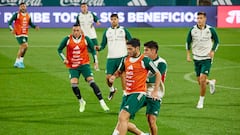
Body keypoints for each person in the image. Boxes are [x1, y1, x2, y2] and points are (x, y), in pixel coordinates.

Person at [110, 38, 163, 135]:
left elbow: (158, 73)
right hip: (127, 94)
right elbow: (119, 71)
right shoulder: (125, 59)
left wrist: (155, 91)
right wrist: (114, 76)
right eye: (127, 49)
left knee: (123, 117)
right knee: (122, 120)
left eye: (130, 49)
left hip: (138, 93)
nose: (128, 51)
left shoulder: (145, 60)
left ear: (137, 48)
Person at [57, 24, 109, 112]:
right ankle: (81, 101)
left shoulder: (86, 39)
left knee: (91, 81)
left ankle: (102, 102)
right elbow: (59, 49)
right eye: (74, 30)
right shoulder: (67, 39)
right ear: (72, 30)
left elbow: (93, 50)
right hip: (73, 66)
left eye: (77, 30)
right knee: (74, 84)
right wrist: (64, 58)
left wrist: (95, 61)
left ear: (81, 31)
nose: (76, 32)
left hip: (84, 64)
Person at [127, 41, 167, 135]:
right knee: (124, 117)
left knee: (151, 119)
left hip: (154, 93)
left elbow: (154, 78)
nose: (144, 52)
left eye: (146, 50)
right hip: (140, 91)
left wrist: (137, 78)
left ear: (153, 51)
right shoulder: (143, 60)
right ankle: (142, 134)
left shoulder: (161, 63)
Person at [186, 12, 219, 109]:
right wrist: (188, 55)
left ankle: (201, 101)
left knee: (202, 79)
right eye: (198, 18)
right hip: (196, 58)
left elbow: (217, 41)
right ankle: (211, 82)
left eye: (201, 18)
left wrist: (213, 51)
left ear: (205, 19)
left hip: (207, 58)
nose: (199, 20)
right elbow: (188, 42)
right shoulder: (192, 30)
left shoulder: (211, 30)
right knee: (200, 81)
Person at [96, 13, 132, 100]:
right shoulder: (107, 31)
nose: (113, 21)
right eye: (112, 19)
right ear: (110, 20)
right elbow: (103, 44)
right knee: (108, 78)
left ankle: (125, 94)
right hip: (111, 58)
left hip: (122, 57)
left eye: (115, 19)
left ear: (118, 20)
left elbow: (131, 41)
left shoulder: (124, 30)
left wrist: (130, 52)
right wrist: (98, 48)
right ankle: (112, 90)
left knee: (123, 75)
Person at [8, 2, 39, 68]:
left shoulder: (28, 15)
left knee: (25, 47)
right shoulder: (17, 14)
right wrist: (11, 29)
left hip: (25, 33)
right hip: (18, 33)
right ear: (19, 7)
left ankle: (18, 62)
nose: (23, 7)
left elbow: (30, 23)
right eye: (21, 6)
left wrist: (35, 27)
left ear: (26, 7)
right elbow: (9, 22)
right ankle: (19, 62)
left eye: (24, 6)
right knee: (24, 45)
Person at [76, 2, 100, 71]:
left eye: (85, 6)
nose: (84, 8)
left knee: (95, 50)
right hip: (84, 36)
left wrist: (97, 22)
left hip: (92, 36)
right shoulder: (79, 16)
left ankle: (96, 64)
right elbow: (77, 25)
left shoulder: (91, 14)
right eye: (82, 7)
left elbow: (96, 19)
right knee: (83, 51)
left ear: (87, 7)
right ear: (81, 8)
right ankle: (84, 64)